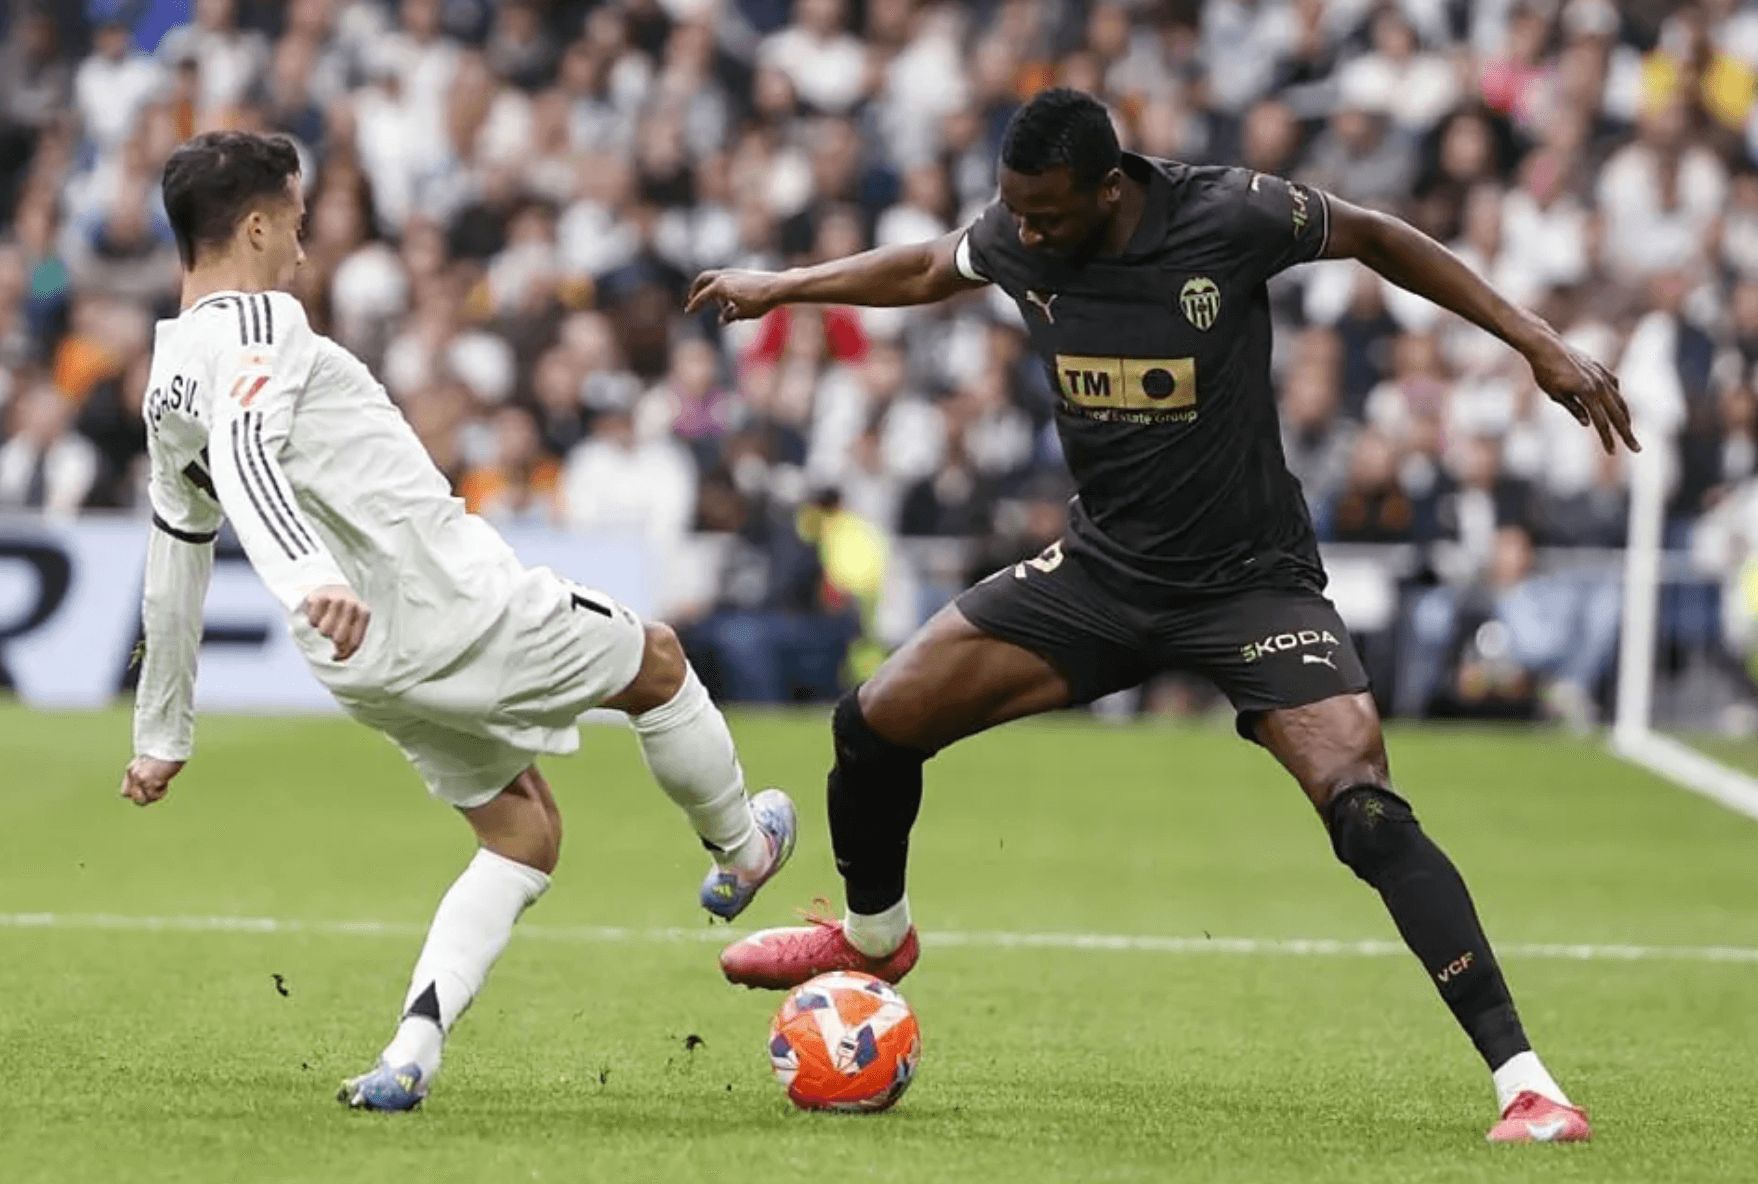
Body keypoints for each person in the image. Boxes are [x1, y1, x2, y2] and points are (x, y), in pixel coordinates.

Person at [687, 89, 1638, 1145]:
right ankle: (875, 942)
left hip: (1248, 582)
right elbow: (924, 267)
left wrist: (1534, 337)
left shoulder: (1227, 215)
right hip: (1103, 572)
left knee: (1364, 807)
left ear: (1109, 187)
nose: (1026, 233)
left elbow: (1373, 234)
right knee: (874, 721)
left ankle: (1526, 1080)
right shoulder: (1018, 230)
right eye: (1015, 212)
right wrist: (784, 287)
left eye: (1047, 214)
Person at [118, 132, 798, 1113]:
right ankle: (742, 849)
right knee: (655, 658)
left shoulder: (168, 373)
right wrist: (311, 573)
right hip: (448, 603)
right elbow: (251, 452)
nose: (304, 250)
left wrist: (163, 731)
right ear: (256, 226)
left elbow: (174, 554)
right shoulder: (262, 316)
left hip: (355, 662)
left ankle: (411, 1052)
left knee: (521, 831)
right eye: (297, 226)